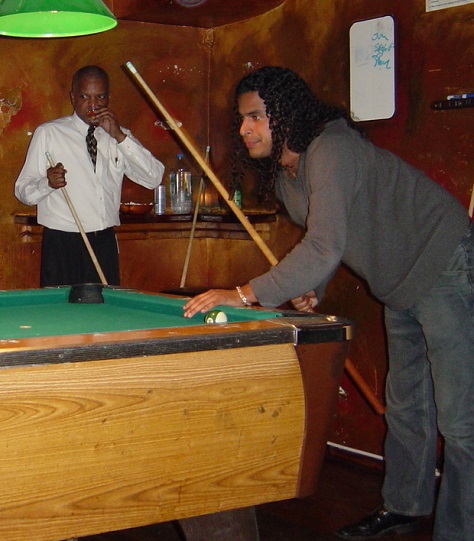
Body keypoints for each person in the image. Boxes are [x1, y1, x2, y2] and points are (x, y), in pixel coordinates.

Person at [183, 66, 473, 541]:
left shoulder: (332, 150)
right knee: (406, 405)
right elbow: (332, 237)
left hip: (443, 261)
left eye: (255, 117)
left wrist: (242, 294)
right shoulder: (286, 174)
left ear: (285, 114)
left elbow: (324, 246)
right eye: (242, 119)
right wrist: (314, 285)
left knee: (461, 417)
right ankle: (405, 506)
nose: (245, 128)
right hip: (397, 282)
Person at [15, 65, 164, 287]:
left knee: (105, 306)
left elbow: (154, 177)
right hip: (63, 242)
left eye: (100, 97)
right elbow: (22, 191)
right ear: (73, 98)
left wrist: (119, 137)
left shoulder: (119, 136)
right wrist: (47, 184)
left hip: (103, 241)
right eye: (85, 97)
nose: (93, 105)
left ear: (109, 97)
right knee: (61, 308)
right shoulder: (49, 133)